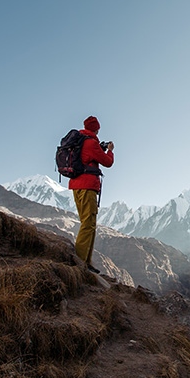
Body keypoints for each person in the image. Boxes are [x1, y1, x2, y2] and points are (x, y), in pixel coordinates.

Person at [69, 115, 114, 273]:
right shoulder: (91, 143)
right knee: (89, 224)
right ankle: (80, 263)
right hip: (88, 186)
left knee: (86, 223)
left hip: (76, 186)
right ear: (96, 128)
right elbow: (108, 162)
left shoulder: (79, 143)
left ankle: (86, 262)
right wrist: (110, 151)